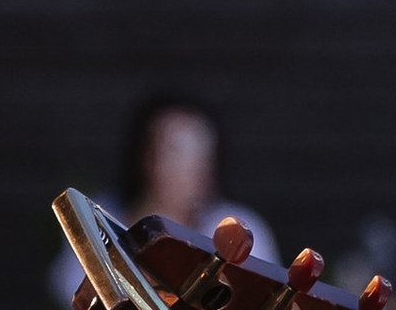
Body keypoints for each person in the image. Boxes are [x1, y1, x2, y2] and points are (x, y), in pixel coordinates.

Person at [109, 95, 275, 262]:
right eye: (176, 153)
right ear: (146, 157)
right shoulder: (103, 224)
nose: (194, 170)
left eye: (202, 155)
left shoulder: (237, 235)